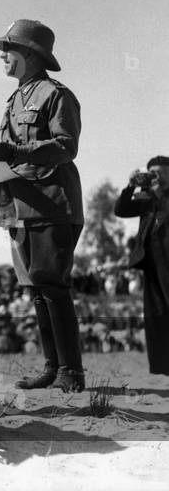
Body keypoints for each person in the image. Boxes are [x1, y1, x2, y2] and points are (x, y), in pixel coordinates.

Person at [0, 19, 85, 392]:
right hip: (19, 204)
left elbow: (66, 147)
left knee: (52, 285)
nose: (3, 56)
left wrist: (13, 151)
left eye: (10, 49)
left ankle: (71, 371)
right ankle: (53, 367)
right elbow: (12, 157)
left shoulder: (56, 95)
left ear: (32, 55)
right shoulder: (14, 100)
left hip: (52, 202)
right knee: (36, 289)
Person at [113, 157, 169, 375]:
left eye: (159, 172)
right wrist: (131, 185)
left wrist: (159, 192)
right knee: (156, 316)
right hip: (151, 264)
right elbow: (121, 209)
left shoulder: (161, 196)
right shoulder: (147, 197)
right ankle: (161, 368)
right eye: (151, 172)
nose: (154, 176)